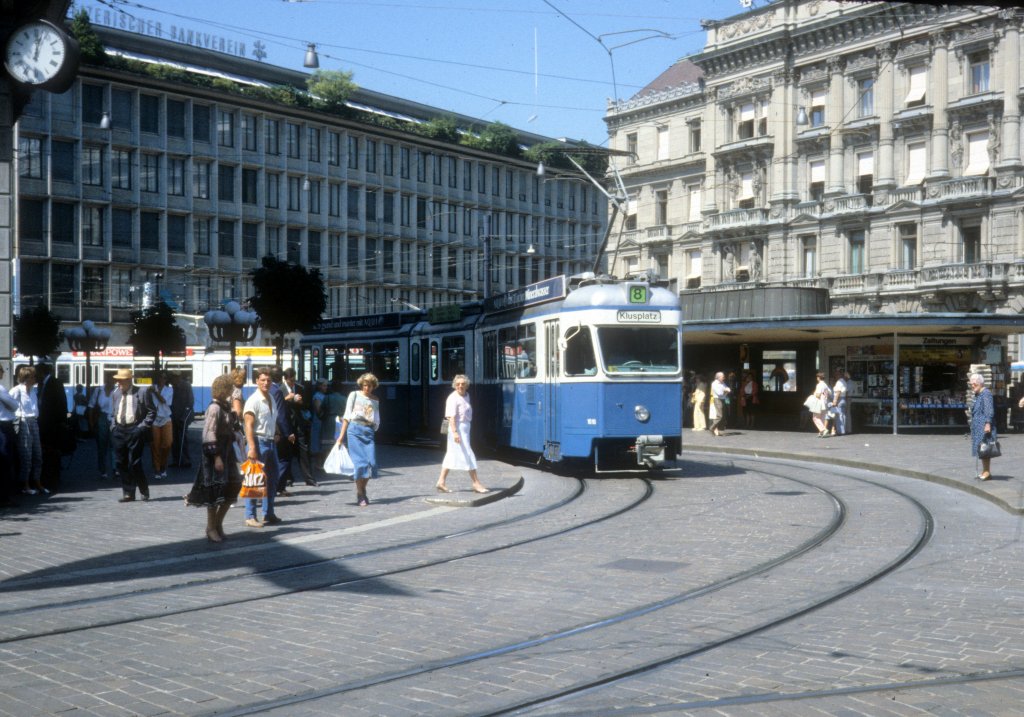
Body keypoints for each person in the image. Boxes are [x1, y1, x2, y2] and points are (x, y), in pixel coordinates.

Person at [185, 374, 242, 542]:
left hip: (228, 452)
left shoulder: (225, 407)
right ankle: (211, 527)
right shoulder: (215, 408)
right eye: (230, 388)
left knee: (233, 486)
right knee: (215, 490)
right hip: (216, 454)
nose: (233, 392)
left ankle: (218, 523)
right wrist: (216, 457)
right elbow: (209, 433)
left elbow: (232, 428)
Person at [242, 366, 282, 527]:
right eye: (263, 380)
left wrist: (277, 432)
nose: (266, 383)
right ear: (257, 381)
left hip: (271, 442)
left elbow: (273, 419)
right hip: (258, 442)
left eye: (269, 380)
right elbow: (248, 426)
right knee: (254, 478)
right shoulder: (254, 400)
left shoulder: (271, 398)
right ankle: (250, 515)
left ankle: (268, 513)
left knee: (272, 479)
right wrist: (251, 447)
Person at [435, 374, 488, 494]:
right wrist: (455, 433)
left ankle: (441, 481)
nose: (460, 386)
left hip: (465, 428)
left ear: (466, 385)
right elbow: (451, 418)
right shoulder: (452, 398)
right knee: (468, 454)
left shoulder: (466, 396)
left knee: (451, 455)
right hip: (457, 430)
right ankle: (476, 483)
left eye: (463, 384)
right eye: (458, 384)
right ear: (454, 385)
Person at [110, 368, 156, 503]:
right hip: (119, 430)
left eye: (121, 381)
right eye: (117, 380)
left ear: (129, 380)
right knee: (120, 462)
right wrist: (113, 426)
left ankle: (143, 490)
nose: (118, 383)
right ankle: (128, 493)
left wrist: (141, 428)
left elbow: (151, 411)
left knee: (134, 462)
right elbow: (113, 412)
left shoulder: (142, 392)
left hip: (134, 430)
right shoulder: (116, 394)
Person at [335, 373, 380, 507]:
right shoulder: (354, 395)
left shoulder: (375, 399)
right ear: (361, 385)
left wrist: (373, 429)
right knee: (360, 464)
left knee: (371, 463)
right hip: (354, 430)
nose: (367, 388)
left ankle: (362, 488)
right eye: (365, 385)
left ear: (373, 386)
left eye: (369, 386)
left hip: (368, 431)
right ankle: (360, 494)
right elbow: (347, 416)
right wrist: (341, 437)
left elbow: (377, 418)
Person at [9, 366, 45, 495]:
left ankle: (37, 482)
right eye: (32, 376)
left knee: (38, 455)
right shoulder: (17, 390)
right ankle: (25, 485)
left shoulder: (33, 391)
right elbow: (9, 405)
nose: (35, 379)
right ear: (26, 378)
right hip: (23, 422)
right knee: (26, 455)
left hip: (33, 421)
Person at [35, 362, 67, 494]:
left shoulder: (55, 382)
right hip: (44, 424)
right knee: (47, 451)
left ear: (42, 372)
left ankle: (54, 478)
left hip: (53, 424)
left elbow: (61, 402)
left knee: (53, 451)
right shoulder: (42, 384)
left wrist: (61, 421)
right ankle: (48, 477)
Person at [283, 367, 316, 487]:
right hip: (287, 424)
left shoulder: (300, 388)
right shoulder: (280, 390)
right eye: (290, 381)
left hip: (299, 423)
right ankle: (288, 478)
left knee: (304, 450)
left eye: (293, 380)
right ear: (285, 379)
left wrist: (301, 402)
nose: (292, 383)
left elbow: (307, 405)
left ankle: (309, 478)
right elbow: (279, 405)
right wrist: (287, 398)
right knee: (288, 452)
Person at [269, 366, 296, 496]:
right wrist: (288, 433)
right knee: (284, 459)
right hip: (278, 431)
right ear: (281, 377)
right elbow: (280, 414)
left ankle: (277, 486)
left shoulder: (267, 389)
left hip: (268, 430)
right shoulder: (277, 391)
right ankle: (277, 486)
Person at [88, 374, 116, 479]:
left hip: (113, 418)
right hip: (101, 418)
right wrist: (91, 422)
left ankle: (115, 468)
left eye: (112, 380)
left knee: (114, 444)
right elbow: (91, 405)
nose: (110, 381)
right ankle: (103, 469)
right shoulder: (99, 391)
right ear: (106, 380)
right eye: (109, 379)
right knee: (102, 446)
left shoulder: (117, 391)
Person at [0, 365, 20, 507]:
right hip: (3, 426)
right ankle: (5, 497)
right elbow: (14, 405)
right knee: (5, 462)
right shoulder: (0, 389)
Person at [970, 373, 996, 481]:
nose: (972, 386)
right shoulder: (978, 394)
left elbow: (989, 410)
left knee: (985, 449)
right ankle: (985, 471)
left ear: (980, 383)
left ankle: (987, 472)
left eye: (974, 384)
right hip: (978, 427)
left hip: (984, 426)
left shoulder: (986, 394)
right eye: (971, 384)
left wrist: (988, 423)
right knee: (981, 449)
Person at [149, 371, 174, 480]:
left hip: (166, 418)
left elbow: (164, 401)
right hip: (154, 418)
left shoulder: (169, 390)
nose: (162, 380)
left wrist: (155, 392)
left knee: (167, 443)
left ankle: (163, 464)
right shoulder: (152, 388)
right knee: (155, 445)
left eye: (164, 378)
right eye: (160, 377)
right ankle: (157, 468)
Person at [169, 372, 194, 469]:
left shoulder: (186, 386)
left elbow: (190, 402)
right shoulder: (172, 386)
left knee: (183, 439)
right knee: (174, 440)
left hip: (183, 416)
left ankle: (186, 460)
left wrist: (184, 416)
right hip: (173, 415)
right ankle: (176, 460)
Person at [309, 379, 328, 470]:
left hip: (322, 422)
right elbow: (318, 410)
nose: (326, 387)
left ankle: (321, 463)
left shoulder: (323, 395)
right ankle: (318, 463)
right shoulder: (317, 396)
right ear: (319, 386)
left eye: (326, 386)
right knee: (318, 442)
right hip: (318, 422)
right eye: (324, 385)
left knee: (321, 442)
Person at [810, 371, 832, 437]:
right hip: (825, 402)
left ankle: (823, 429)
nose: (817, 378)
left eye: (817, 377)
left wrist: (814, 394)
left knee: (815, 418)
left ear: (819, 377)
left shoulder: (819, 385)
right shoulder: (825, 385)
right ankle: (821, 432)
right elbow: (830, 392)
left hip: (819, 403)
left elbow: (818, 395)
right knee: (822, 417)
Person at [709, 371, 731, 436]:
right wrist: (726, 391)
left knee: (723, 415)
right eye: (722, 377)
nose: (724, 378)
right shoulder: (714, 384)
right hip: (718, 400)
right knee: (719, 416)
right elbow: (720, 393)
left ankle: (718, 429)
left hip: (723, 399)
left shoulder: (722, 383)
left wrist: (726, 390)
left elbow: (727, 388)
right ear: (718, 377)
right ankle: (712, 427)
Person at [831, 369, 849, 436]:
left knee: (839, 416)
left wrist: (835, 401)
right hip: (844, 399)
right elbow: (847, 392)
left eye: (836, 374)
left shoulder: (839, 382)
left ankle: (840, 431)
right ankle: (843, 430)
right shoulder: (844, 382)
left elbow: (838, 392)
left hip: (839, 399)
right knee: (843, 415)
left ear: (839, 374)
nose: (835, 375)